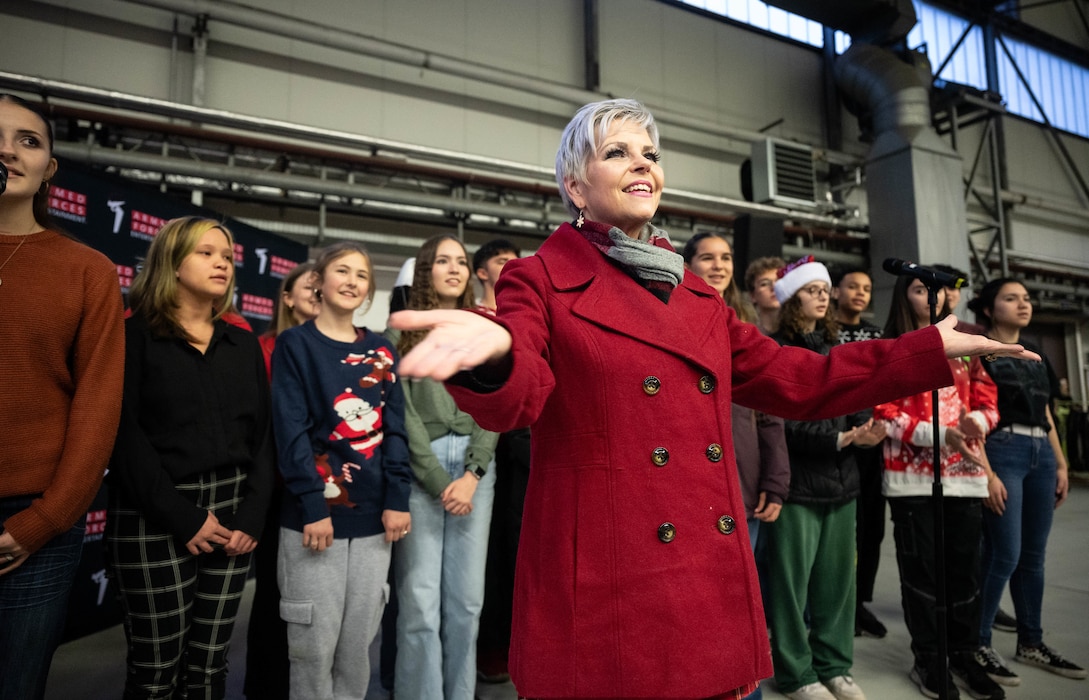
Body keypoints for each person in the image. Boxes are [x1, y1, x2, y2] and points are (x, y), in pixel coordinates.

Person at [387, 99, 1036, 700]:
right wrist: (494, 354)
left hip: (701, 569)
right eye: (616, 152)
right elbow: (519, 398)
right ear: (574, 186)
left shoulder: (697, 298)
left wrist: (923, 349)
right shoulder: (540, 279)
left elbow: (798, 380)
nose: (641, 162)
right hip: (607, 583)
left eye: (649, 153)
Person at [107, 216, 274, 699]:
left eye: (226, 255)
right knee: (156, 671)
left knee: (208, 668)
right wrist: (184, 518)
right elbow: (124, 438)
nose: (221, 262)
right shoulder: (132, 337)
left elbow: (263, 438)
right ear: (171, 262)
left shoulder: (242, 342)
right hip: (153, 516)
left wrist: (252, 518)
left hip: (233, 519)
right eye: (206, 252)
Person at [0, 93, 125, 700]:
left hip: (34, 525)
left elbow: (98, 404)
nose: (7, 150)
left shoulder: (87, 269)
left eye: (28, 140)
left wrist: (45, 520)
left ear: (49, 168)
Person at [271, 241, 411, 700]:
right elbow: (290, 431)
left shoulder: (381, 351)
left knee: (356, 650)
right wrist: (312, 505)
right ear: (318, 281)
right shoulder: (295, 344)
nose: (352, 281)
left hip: (374, 523)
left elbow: (395, 430)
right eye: (342, 271)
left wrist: (396, 500)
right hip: (316, 521)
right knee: (312, 651)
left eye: (362, 275)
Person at [875, 276, 1004, 700]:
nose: (933, 297)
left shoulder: (968, 342)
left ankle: (965, 654)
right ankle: (929, 658)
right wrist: (940, 435)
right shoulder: (891, 344)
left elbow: (988, 397)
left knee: (965, 572)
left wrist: (979, 423)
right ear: (903, 297)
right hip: (911, 479)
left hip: (964, 478)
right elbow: (884, 413)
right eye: (919, 289)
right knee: (923, 573)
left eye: (943, 290)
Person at [767, 257, 884, 700]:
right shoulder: (776, 347)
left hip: (843, 483)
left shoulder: (836, 347)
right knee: (791, 588)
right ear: (790, 297)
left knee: (838, 586)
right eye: (810, 289)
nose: (821, 295)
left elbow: (857, 401)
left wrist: (867, 432)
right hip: (797, 484)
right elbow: (781, 423)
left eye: (824, 289)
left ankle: (834, 665)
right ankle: (796, 673)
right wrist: (840, 439)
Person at [389, 234, 499, 700]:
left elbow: (496, 404)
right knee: (418, 604)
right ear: (425, 271)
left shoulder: (487, 330)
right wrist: (437, 480)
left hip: (476, 475)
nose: (453, 268)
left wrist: (473, 474)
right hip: (423, 468)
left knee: (467, 604)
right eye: (441, 261)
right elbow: (401, 412)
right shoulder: (399, 334)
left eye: (460, 261)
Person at [684, 232, 789, 700]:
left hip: (744, 481)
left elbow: (770, 413)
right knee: (700, 604)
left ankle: (746, 691)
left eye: (726, 257)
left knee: (741, 599)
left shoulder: (747, 326)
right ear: (687, 264)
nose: (718, 265)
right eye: (707, 257)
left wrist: (776, 480)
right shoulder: (676, 315)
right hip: (693, 482)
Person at [968, 278, 1087, 686]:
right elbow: (971, 412)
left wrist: (1060, 463)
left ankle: (1030, 641)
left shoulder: (1036, 354)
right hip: (1001, 449)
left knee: (1034, 556)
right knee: (1004, 553)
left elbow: (1048, 412)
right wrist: (986, 472)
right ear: (987, 308)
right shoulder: (979, 353)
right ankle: (977, 642)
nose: (1023, 304)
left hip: (1039, 454)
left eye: (1026, 297)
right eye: (1011, 298)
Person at [243, 260, 319, 700]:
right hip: (274, 491)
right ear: (286, 298)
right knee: (273, 600)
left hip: (322, 494)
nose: (316, 292)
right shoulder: (262, 348)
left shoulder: (338, 350)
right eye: (305, 287)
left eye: (319, 286)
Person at [472, 237, 530, 684]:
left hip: (531, 449)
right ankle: (492, 646)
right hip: (489, 451)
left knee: (523, 553)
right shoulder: (471, 320)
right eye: (500, 260)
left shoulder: (528, 315)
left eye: (517, 260)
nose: (512, 265)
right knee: (494, 558)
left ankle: (517, 644)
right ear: (481, 273)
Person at [830, 265, 887, 639]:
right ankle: (841, 605)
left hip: (874, 438)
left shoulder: (877, 333)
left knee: (872, 527)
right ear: (836, 291)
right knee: (845, 530)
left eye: (867, 288)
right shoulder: (827, 331)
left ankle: (861, 602)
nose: (861, 293)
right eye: (852, 286)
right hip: (840, 437)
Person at [473, 237, 520, 313]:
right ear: (482, 273)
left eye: (516, 263)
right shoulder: (469, 315)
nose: (512, 267)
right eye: (502, 262)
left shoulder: (525, 315)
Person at [745, 255, 786, 335]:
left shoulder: (799, 332)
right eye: (764, 284)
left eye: (779, 282)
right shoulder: (748, 334)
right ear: (752, 295)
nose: (774, 287)